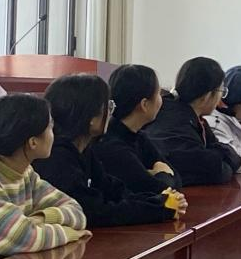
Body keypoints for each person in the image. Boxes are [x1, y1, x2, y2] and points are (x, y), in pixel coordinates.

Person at [33, 74, 181, 228]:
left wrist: (159, 201)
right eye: (108, 106)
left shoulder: (83, 150)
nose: (110, 113)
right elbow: (94, 211)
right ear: (90, 117)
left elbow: (113, 189)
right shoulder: (57, 158)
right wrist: (158, 208)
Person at [0, 94, 89, 256]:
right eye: (50, 127)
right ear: (33, 142)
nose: (54, 134)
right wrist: (70, 234)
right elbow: (22, 238)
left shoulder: (25, 173)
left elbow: (77, 213)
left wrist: (40, 219)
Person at [146, 58, 241, 185]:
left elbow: (223, 152)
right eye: (221, 91)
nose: (220, 99)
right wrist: (224, 159)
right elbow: (216, 170)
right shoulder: (174, 122)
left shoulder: (192, 116)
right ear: (206, 96)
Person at [96, 64, 182, 194]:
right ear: (144, 104)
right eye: (159, 93)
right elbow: (159, 190)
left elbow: (177, 179)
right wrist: (162, 173)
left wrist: (157, 174)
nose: (162, 99)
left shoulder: (138, 136)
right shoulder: (112, 147)